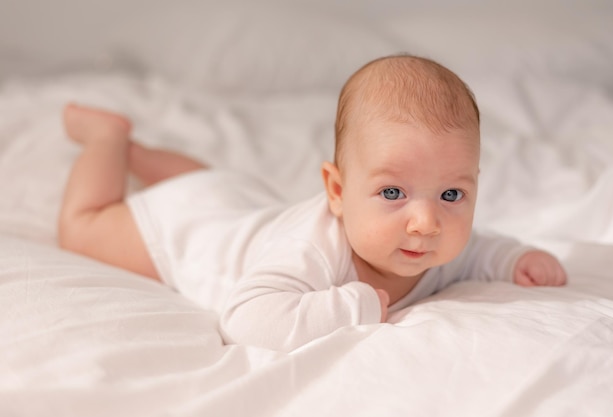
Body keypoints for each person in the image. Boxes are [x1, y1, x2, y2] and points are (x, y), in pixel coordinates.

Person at [58, 54, 567, 351]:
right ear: (338, 192)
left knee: (212, 186)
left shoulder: (434, 240)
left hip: (236, 199)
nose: (426, 221)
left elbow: (480, 249)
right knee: (83, 227)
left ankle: (143, 155)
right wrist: (351, 305)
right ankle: (110, 141)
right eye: (393, 193)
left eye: (453, 194)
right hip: (192, 228)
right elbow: (245, 318)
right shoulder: (314, 251)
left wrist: (516, 259)